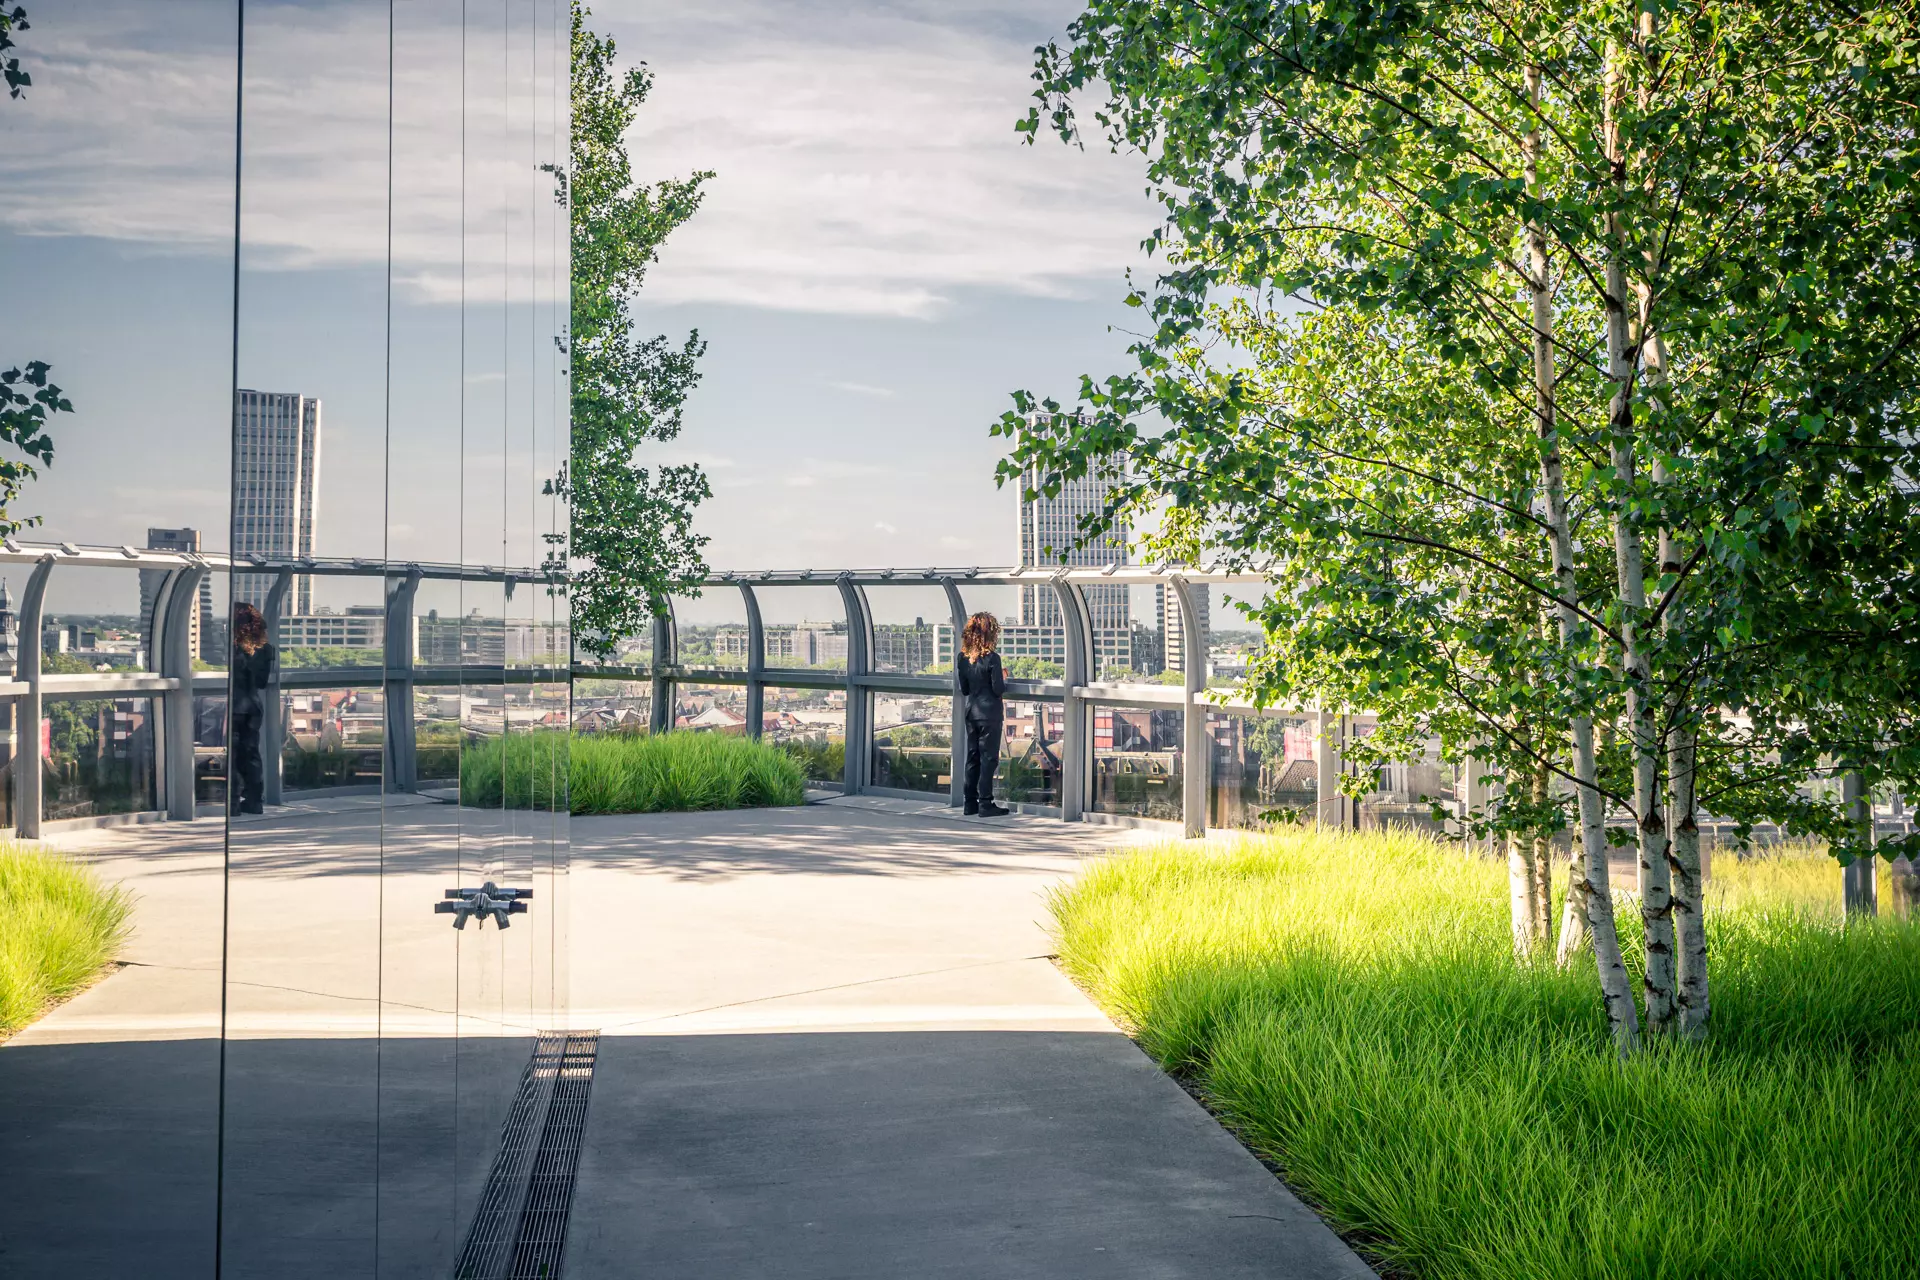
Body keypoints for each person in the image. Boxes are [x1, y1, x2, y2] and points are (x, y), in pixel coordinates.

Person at [957, 611, 1008, 817]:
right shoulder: (992, 658)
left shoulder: (962, 658)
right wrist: (1002, 675)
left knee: (973, 757)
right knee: (989, 758)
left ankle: (970, 803)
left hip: (972, 713)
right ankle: (986, 803)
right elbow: (998, 689)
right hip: (990, 714)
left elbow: (965, 689)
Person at [229, 601, 274, 815]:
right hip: (254, 707)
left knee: (232, 754)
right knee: (251, 754)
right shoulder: (266, 649)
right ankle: (254, 801)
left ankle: (233, 802)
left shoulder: (233, 648)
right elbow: (262, 682)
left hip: (234, 706)